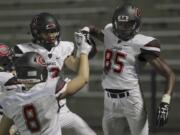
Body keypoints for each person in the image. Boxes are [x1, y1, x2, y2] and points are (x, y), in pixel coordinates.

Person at [81, 3, 176, 135]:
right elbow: (93, 30)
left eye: (128, 25)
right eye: (120, 24)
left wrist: (165, 103)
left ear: (136, 25)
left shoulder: (141, 43)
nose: (123, 28)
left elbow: (170, 75)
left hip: (131, 100)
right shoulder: (109, 32)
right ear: (115, 23)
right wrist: (85, 31)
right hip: (109, 101)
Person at [13, 12, 97, 135]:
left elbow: (75, 66)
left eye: (54, 31)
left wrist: (82, 50)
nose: (52, 35)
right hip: (37, 108)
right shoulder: (23, 50)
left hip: (59, 107)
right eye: (47, 32)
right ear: (36, 32)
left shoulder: (64, 47)